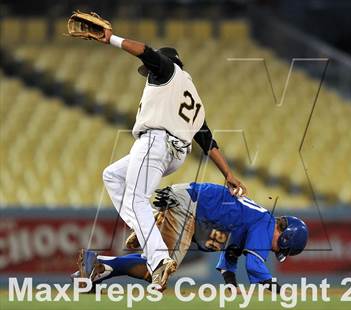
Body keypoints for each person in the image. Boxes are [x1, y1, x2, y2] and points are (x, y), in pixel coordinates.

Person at [92, 27, 246, 289]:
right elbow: (207, 140)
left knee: (137, 197)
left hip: (156, 142)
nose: (148, 74)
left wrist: (112, 39)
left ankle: (160, 259)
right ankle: (146, 222)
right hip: (174, 152)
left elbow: (146, 53)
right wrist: (228, 174)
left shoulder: (168, 71)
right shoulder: (192, 96)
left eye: (150, 69)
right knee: (112, 175)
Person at [75, 182, 308, 291]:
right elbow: (256, 266)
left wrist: (230, 283)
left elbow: (231, 255)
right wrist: (280, 290)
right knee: (158, 270)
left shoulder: (255, 221)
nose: (275, 251)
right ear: (286, 238)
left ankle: (98, 269)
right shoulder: (265, 223)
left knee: (159, 267)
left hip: (189, 202)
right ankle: (97, 264)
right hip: (190, 206)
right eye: (280, 248)